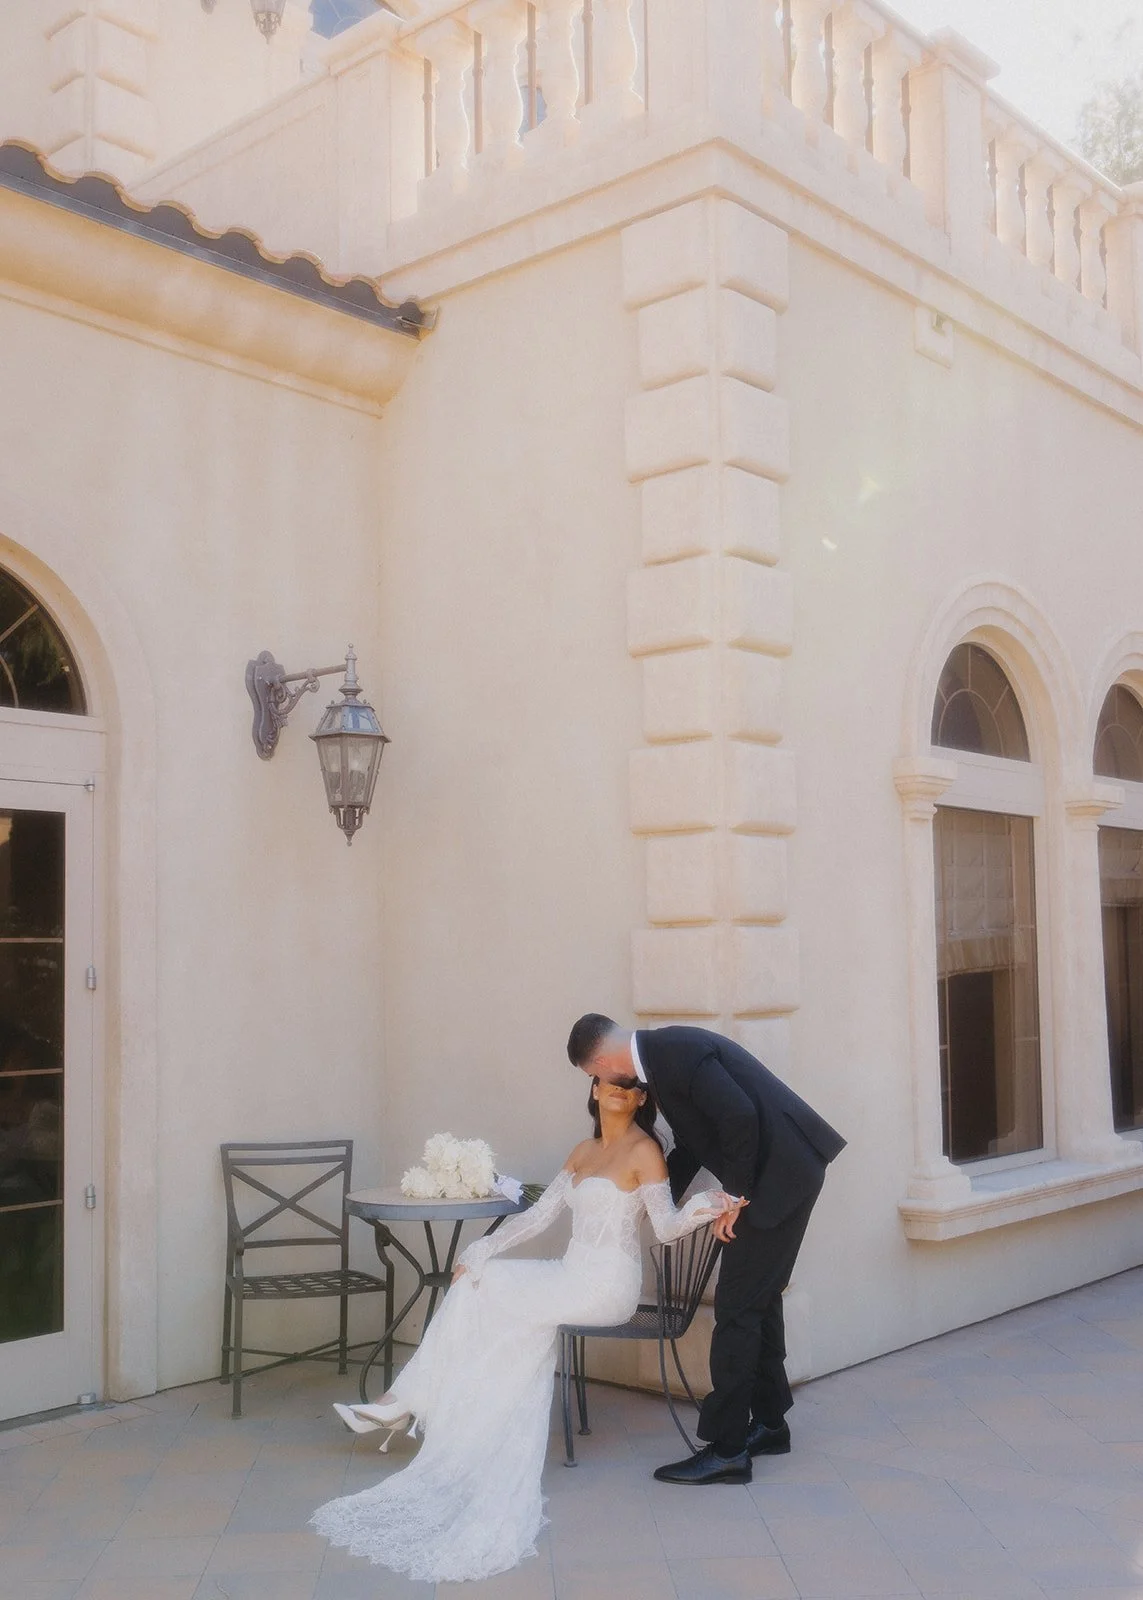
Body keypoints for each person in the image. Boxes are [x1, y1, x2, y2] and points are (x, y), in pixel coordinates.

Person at [311, 1076, 730, 1584]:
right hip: (568, 1273)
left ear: (642, 1098)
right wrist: (481, 1249)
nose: (616, 1089)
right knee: (477, 1282)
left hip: (607, 1288)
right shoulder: (583, 1150)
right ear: (594, 1090)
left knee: (508, 1308)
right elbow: (537, 1218)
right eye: (607, 1082)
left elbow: (664, 1227)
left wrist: (710, 1205)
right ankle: (402, 1403)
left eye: (629, 1086)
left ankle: (407, 1405)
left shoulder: (646, 1153)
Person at [567, 1015, 845, 1487]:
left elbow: (740, 1117)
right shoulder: (663, 1056)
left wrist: (735, 1198)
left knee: (736, 1310)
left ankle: (728, 1450)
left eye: (594, 1075)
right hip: (784, 1170)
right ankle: (772, 1425)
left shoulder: (674, 1054)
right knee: (758, 1300)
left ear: (599, 1062)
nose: (602, 1083)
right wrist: (651, 1201)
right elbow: (698, 1142)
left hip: (780, 1176)